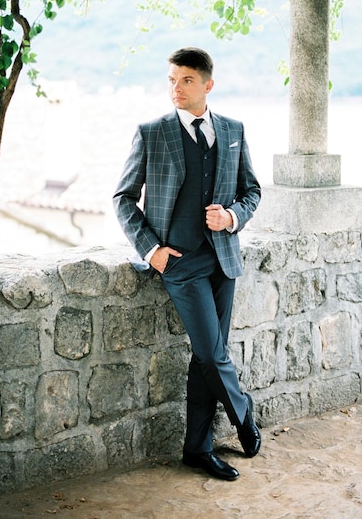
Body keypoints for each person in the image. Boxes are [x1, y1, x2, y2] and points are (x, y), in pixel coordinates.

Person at [113, 47, 261, 481]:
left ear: (207, 85)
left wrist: (232, 216)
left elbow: (251, 190)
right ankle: (243, 412)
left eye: (186, 80)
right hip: (178, 263)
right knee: (214, 355)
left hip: (222, 259)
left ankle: (197, 449)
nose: (176, 88)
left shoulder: (232, 130)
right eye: (172, 80)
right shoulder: (151, 132)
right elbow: (123, 198)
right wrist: (150, 249)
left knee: (205, 358)